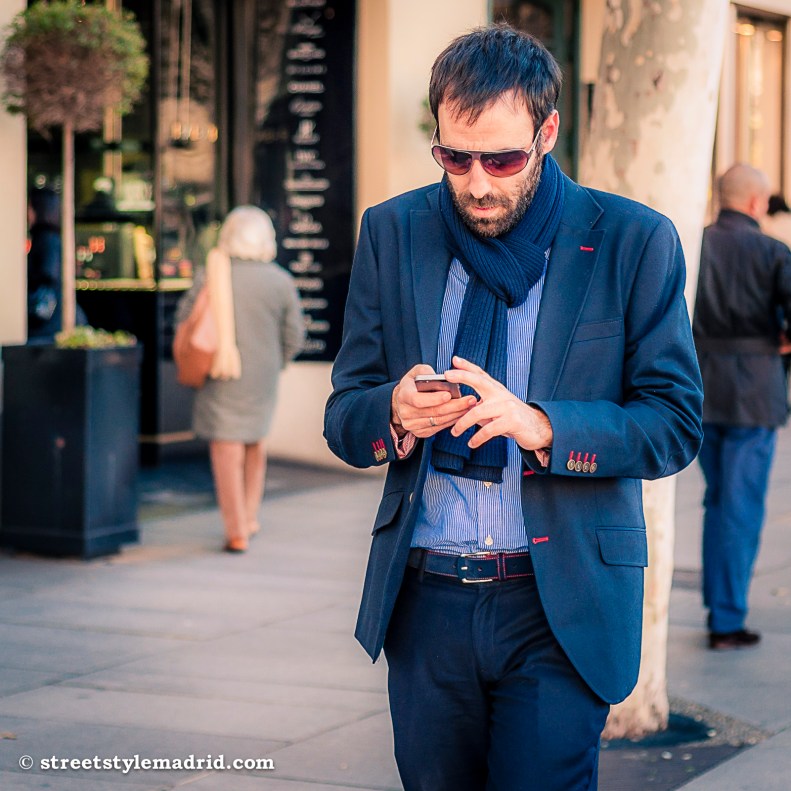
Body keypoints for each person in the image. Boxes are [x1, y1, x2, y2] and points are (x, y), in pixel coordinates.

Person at [324, 24, 703, 791]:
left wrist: (545, 426)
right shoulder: (392, 232)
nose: (476, 183)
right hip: (426, 600)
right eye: (453, 158)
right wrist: (391, 413)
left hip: (558, 603)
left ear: (547, 130)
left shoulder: (633, 241)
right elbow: (342, 413)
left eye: (500, 158)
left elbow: (674, 423)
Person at [693, 164, 791, 650]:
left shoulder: (694, 244)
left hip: (701, 390)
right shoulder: (774, 252)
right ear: (755, 203)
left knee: (717, 503)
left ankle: (721, 610)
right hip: (754, 394)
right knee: (740, 508)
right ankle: (726, 621)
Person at [176, 206, 305, 553]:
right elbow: (294, 336)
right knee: (254, 446)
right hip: (262, 377)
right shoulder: (280, 280)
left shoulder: (212, 273)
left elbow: (184, 319)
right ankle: (249, 517)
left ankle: (236, 531)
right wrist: (275, 361)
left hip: (221, 375)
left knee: (226, 452)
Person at [27, 187, 62, 342]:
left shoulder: (46, 238)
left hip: (45, 320)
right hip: (48, 320)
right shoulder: (48, 237)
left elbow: (48, 273)